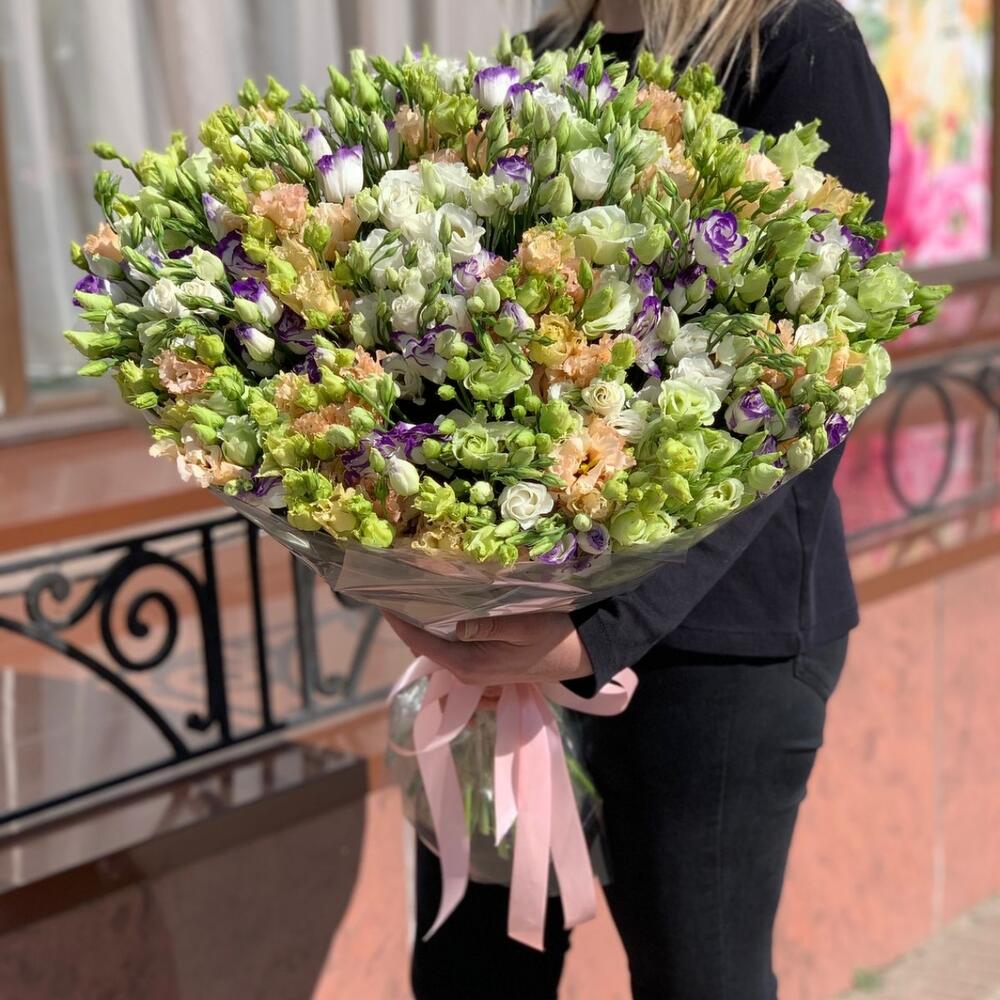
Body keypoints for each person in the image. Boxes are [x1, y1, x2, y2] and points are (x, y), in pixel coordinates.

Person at [385, 1, 890, 997]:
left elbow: (807, 393)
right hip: (507, 628)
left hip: (712, 646)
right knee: (467, 974)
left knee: (696, 980)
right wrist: (420, 565)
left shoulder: (795, 47)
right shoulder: (539, 57)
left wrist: (597, 631)